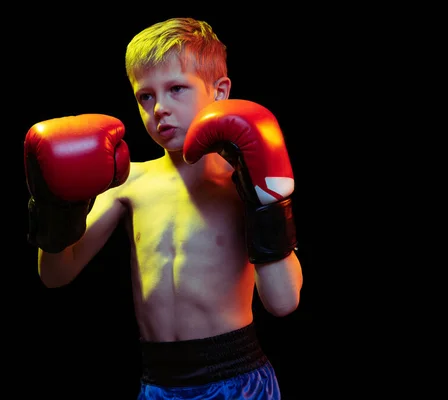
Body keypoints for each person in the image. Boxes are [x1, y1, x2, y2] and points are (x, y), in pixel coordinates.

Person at [24, 17, 303, 400]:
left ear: (220, 91)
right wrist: (56, 208)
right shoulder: (128, 183)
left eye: (176, 89)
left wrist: (266, 207)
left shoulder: (240, 184)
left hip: (237, 379)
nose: (159, 109)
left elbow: (283, 301)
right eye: (146, 96)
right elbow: (55, 274)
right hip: (158, 383)